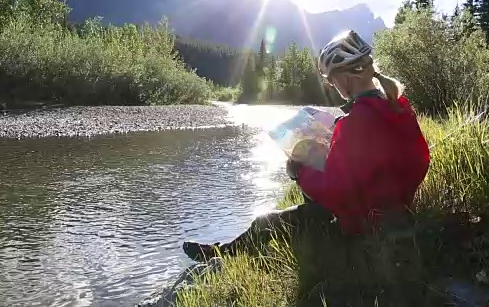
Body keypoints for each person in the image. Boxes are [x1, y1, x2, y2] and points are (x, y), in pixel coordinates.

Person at [182, 29, 430, 262]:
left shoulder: (357, 121)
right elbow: (416, 160)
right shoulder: (398, 107)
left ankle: (220, 254)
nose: (332, 86)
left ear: (345, 78)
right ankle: (226, 250)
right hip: (393, 208)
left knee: (264, 223)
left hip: (362, 221)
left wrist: (299, 172)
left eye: (332, 81)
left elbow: (337, 191)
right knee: (307, 202)